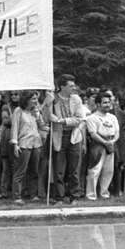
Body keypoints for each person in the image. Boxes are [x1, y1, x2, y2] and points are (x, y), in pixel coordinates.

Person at [43, 74, 86, 205]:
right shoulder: (53, 99)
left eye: (74, 85)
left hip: (74, 136)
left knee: (74, 169)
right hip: (58, 136)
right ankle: (59, 198)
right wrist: (47, 103)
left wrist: (61, 121)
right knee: (59, 169)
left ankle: (75, 196)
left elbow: (79, 119)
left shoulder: (77, 99)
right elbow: (46, 118)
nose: (73, 88)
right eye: (70, 86)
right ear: (62, 86)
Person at [9, 91, 44, 204]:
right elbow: (14, 127)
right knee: (20, 171)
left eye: (36, 99)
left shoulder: (35, 111)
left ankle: (33, 194)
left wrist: (38, 115)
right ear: (27, 99)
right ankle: (17, 196)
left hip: (36, 143)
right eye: (33, 99)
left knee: (34, 171)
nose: (36, 101)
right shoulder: (18, 111)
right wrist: (15, 144)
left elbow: (42, 125)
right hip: (24, 143)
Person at [85, 92, 120, 200]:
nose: (108, 105)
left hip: (111, 143)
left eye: (109, 102)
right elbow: (93, 134)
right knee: (94, 170)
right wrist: (104, 143)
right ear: (98, 104)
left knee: (108, 171)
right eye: (105, 103)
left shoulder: (112, 117)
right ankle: (91, 195)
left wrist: (113, 141)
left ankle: (104, 193)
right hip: (98, 145)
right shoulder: (92, 117)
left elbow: (117, 131)